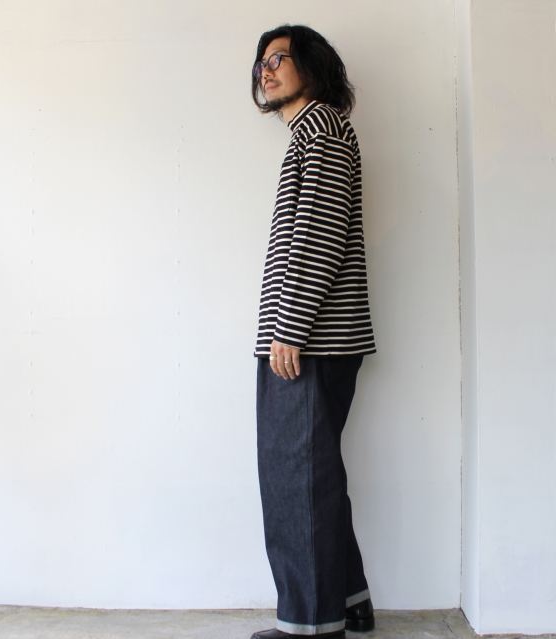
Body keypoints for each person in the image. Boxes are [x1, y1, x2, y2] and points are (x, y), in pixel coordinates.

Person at [250, 25, 377, 639]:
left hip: (308, 341)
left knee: (295, 481)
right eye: (261, 63)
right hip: (314, 339)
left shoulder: (320, 129)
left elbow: (319, 236)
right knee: (314, 477)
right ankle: (349, 601)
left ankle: (309, 626)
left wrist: (289, 329)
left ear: (312, 64)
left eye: (279, 58)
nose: (266, 70)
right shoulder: (317, 132)